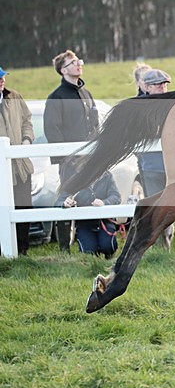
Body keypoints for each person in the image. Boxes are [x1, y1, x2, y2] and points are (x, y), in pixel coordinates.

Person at [44, 49, 100, 251]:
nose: (78, 65)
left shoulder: (86, 93)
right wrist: (67, 158)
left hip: (89, 158)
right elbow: (52, 130)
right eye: (73, 62)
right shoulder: (56, 97)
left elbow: (95, 124)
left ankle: (90, 245)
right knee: (67, 200)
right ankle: (64, 248)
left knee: (89, 197)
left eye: (78, 61)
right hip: (69, 161)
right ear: (63, 70)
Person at [136, 68, 175, 249]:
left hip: (174, 167)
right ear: (146, 87)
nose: (162, 88)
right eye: (157, 84)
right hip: (151, 167)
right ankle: (161, 251)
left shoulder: (173, 105)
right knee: (156, 210)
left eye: (165, 84)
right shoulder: (139, 107)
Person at [0, 66, 35, 255]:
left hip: (21, 166)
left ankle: (23, 251)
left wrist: (26, 140)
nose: (2, 80)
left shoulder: (15, 96)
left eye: (3, 77)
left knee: (24, 207)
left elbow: (27, 120)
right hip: (1, 169)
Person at [63, 170, 120, 258]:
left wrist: (104, 202)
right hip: (84, 223)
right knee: (88, 251)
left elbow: (116, 197)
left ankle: (108, 254)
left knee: (108, 246)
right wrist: (65, 202)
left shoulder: (107, 175)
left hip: (104, 221)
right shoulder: (75, 177)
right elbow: (60, 199)